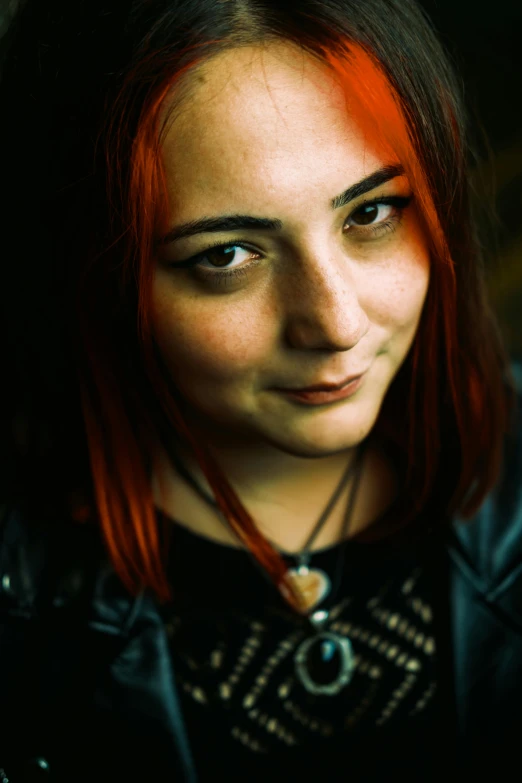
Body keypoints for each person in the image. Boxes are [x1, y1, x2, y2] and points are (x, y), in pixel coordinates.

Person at [0, 0, 521, 781]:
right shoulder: (22, 596)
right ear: (96, 276)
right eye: (229, 255)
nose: (337, 322)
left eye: (372, 212)